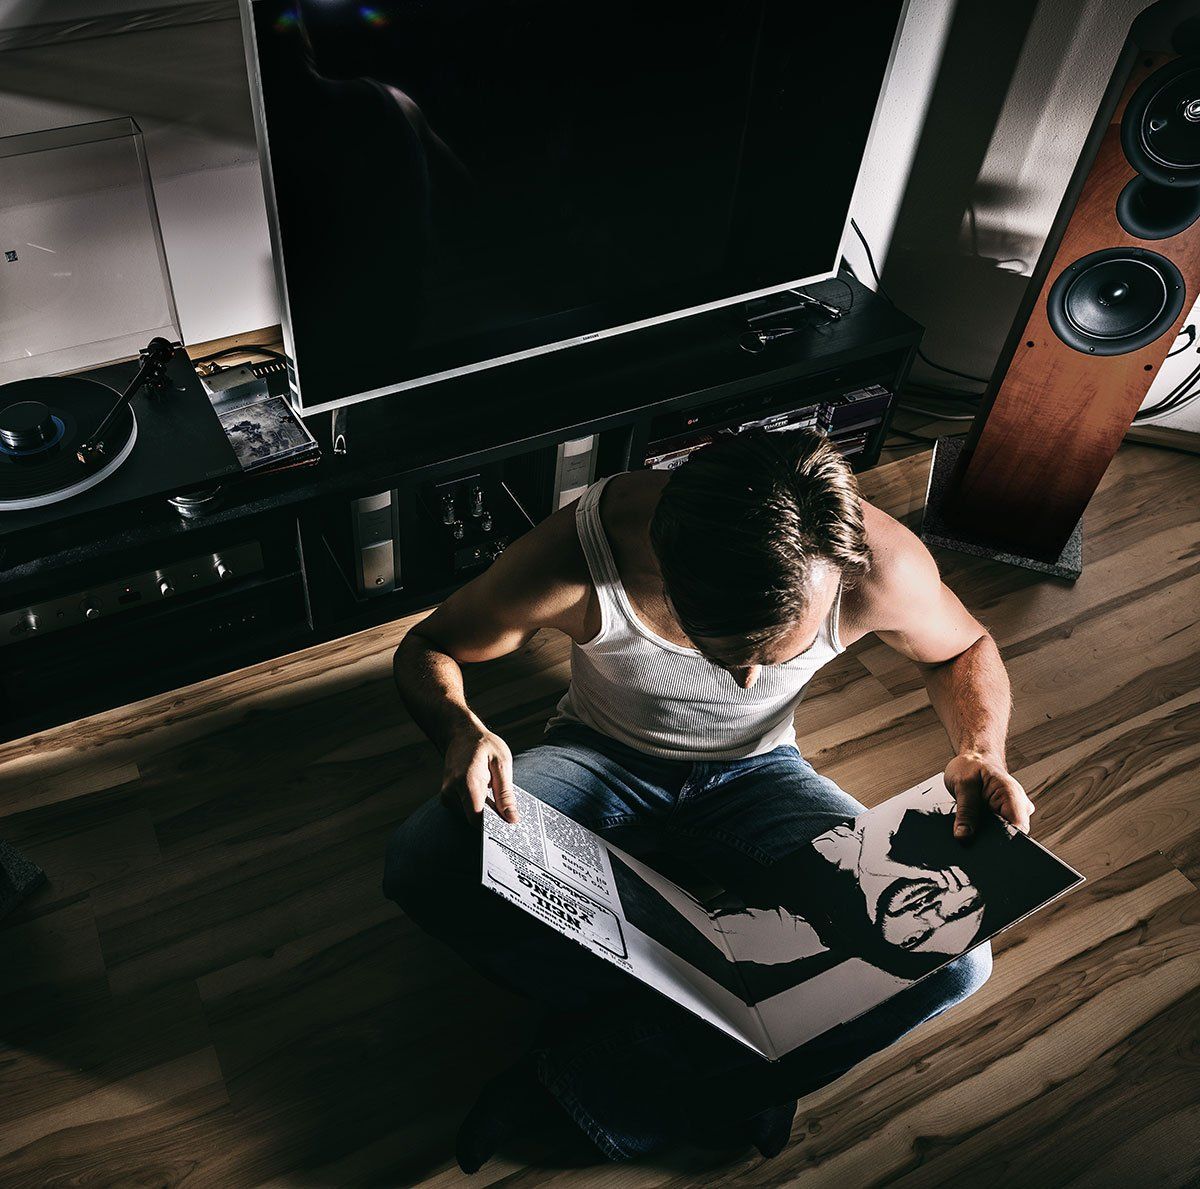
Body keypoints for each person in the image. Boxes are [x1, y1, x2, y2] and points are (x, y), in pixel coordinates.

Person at [385, 428, 1035, 1168]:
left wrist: (981, 749)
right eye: (732, 652)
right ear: (672, 573)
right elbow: (429, 644)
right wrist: (460, 729)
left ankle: (583, 1083)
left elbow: (963, 647)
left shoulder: (873, 562)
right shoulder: (588, 553)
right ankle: (727, 1054)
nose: (752, 682)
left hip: (757, 777)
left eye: (774, 652)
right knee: (427, 856)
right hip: (600, 757)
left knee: (957, 959)